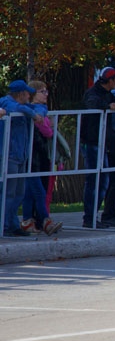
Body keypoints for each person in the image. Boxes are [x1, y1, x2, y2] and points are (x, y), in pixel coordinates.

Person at [81, 67, 115, 229]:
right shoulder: (93, 93)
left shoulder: (108, 93)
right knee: (95, 180)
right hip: (91, 141)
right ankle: (89, 218)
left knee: (103, 181)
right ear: (110, 80)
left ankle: (93, 216)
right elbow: (92, 103)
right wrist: (108, 106)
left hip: (102, 142)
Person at [1, 81, 48, 236]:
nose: (29, 96)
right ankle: (5, 225)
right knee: (8, 193)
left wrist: (37, 113)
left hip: (21, 155)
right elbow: (15, 108)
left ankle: (13, 224)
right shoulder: (5, 102)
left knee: (18, 193)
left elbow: (42, 108)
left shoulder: (24, 105)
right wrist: (33, 114)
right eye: (27, 93)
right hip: (9, 154)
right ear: (20, 94)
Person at [19, 81, 60, 235]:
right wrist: (47, 124)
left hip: (37, 154)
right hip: (31, 155)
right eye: (42, 91)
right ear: (33, 94)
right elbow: (47, 131)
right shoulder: (34, 110)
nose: (46, 94)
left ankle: (28, 221)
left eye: (46, 91)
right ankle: (45, 221)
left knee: (31, 191)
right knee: (38, 190)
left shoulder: (38, 109)